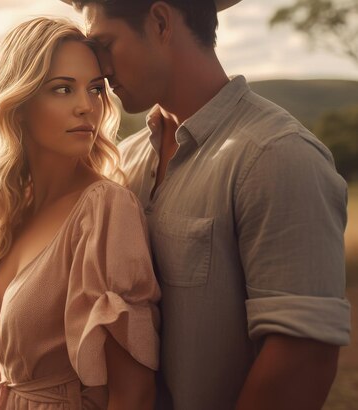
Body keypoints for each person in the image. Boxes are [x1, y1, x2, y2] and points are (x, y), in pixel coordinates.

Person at [59, 0, 352, 409]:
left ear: (160, 22)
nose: (100, 68)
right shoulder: (123, 160)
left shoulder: (277, 155)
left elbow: (302, 358)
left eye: (105, 44)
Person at [0, 17, 161, 410]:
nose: (87, 106)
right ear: (18, 102)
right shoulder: (17, 207)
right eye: (63, 89)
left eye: (96, 89)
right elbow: (11, 366)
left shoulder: (103, 210)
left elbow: (133, 393)